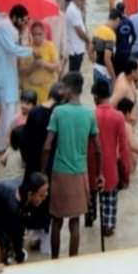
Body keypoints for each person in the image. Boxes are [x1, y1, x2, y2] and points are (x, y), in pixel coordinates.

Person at [43, 72, 101, 258]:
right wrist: (99, 174)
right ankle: (73, 260)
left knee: (57, 221)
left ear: (68, 89)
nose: (61, 91)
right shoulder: (89, 114)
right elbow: (98, 149)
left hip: (59, 172)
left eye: (62, 87)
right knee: (75, 221)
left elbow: (47, 146)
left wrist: (44, 173)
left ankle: (54, 260)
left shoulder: (58, 112)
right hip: (80, 172)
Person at [0, 173, 49, 265]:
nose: (45, 196)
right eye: (41, 195)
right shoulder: (13, 208)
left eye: (46, 192)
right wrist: (19, 256)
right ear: (30, 194)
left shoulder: (24, 191)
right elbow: (17, 236)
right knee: (1, 243)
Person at [0, 5, 34, 153]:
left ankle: (8, 143)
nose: (24, 24)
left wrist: (22, 35)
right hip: (2, 75)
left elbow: (16, 47)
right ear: (15, 17)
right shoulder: (3, 27)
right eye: (23, 20)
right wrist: (32, 51)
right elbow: (12, 49)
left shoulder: (13, 29)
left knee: (10, 110)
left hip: (9, 73)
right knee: (7, 111)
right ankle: (4, 145)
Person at [93, 79, 133, 239]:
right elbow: (124, 149)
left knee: (88, 218)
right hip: (110, 171)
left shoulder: (90, 114)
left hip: (91, 170)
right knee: (108, 225)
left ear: (95, 96)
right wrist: (126, 170)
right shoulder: (118, 117)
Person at [23, 21, 61, 106]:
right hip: (31, 90)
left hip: (47, 89)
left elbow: (57, 67)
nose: (37, 37)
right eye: (34, 34)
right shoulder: (26, 48)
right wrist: (33, 66)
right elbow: (21, 71)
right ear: (31, 35)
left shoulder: (50, 46)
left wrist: (44, 64)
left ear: (44, 34)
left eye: (39, 34)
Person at [64, 0, 90, 74]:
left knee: (76, 72)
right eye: (82, 0)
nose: (84, 3)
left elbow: (83, 24)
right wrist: (89, 40)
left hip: (78, 47)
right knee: (74, 74)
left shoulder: (77, 8)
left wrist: (83, 12)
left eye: (85, 0)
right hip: (74, 49)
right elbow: (79, 32)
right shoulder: (72, 10)